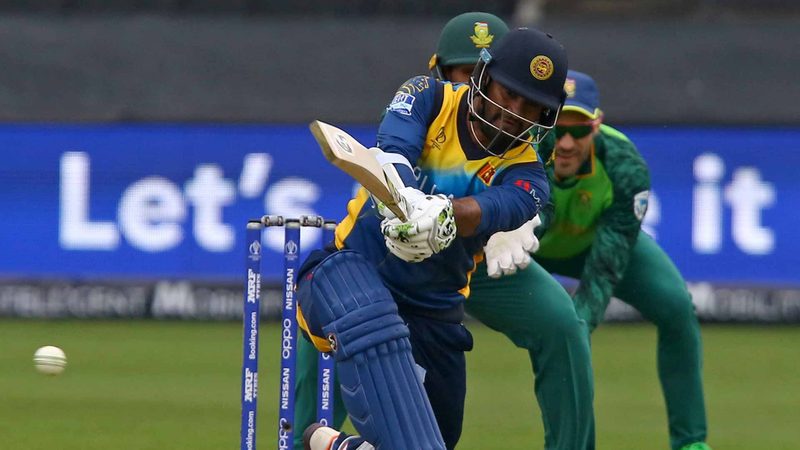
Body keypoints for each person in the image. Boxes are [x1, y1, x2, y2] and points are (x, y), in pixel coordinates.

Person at [294, 13, 595, 450]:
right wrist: (405, 202)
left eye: (530, 106)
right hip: (347, 274)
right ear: (485, 78)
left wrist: (444, 216)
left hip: (433, 313)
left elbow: (495, 207)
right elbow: (393, 149)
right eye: (509, 94)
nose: (514, 114)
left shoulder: (530, 176)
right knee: (370, 314)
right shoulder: (427, 95)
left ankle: (340, 446)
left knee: (430, 442)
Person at [527, 70, 711, 450]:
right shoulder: (523, 149)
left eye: (579, 130)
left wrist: (580, 325)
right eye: (557, 128)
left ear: (597, 125)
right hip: (525, 250)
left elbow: (606, 265)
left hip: (593, 246)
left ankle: (690, 443)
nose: (565, 143)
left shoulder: (625, 165)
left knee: (677, 308)